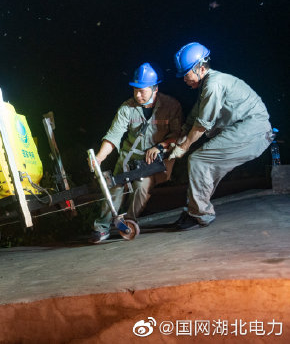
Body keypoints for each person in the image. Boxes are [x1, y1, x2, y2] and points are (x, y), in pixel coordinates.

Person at [168, 42, 272, 230]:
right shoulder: (206, 86)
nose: (184, 79)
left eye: (186, 74)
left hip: (253, 129)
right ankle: (196, 210)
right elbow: (193, 118)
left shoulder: (213, 85)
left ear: (200, 68)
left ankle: (199, 214)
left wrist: (183, 147)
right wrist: (180, 139)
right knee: (206, 166)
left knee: (199, 160)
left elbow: (201, 125)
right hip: (246, 129)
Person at [89, 62, 182, 243]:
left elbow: (177, 135)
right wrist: (99, 157)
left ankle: (129, 222)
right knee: (114, 187)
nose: (138, 95)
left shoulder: (171, 106)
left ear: (155, 88)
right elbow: (113, 136)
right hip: (128, 156)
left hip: (151, 159)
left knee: (142, 187)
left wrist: (160, 146)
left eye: (142, 91)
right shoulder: (126, 108)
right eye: (135, 90)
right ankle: (101, 227)